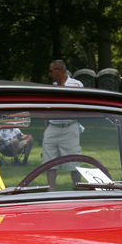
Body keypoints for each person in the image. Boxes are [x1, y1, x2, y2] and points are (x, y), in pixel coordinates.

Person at [44, 59, 82, 188]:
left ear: (59, 70)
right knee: (49, 161)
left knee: (74, 162)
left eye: (51, 71)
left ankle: (78, 190)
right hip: (52, 127)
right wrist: (46, 127)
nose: (49, 74)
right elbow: (46, 109)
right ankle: (51, 192)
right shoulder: (52, 88)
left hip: (69, 127)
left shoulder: (76, 85)